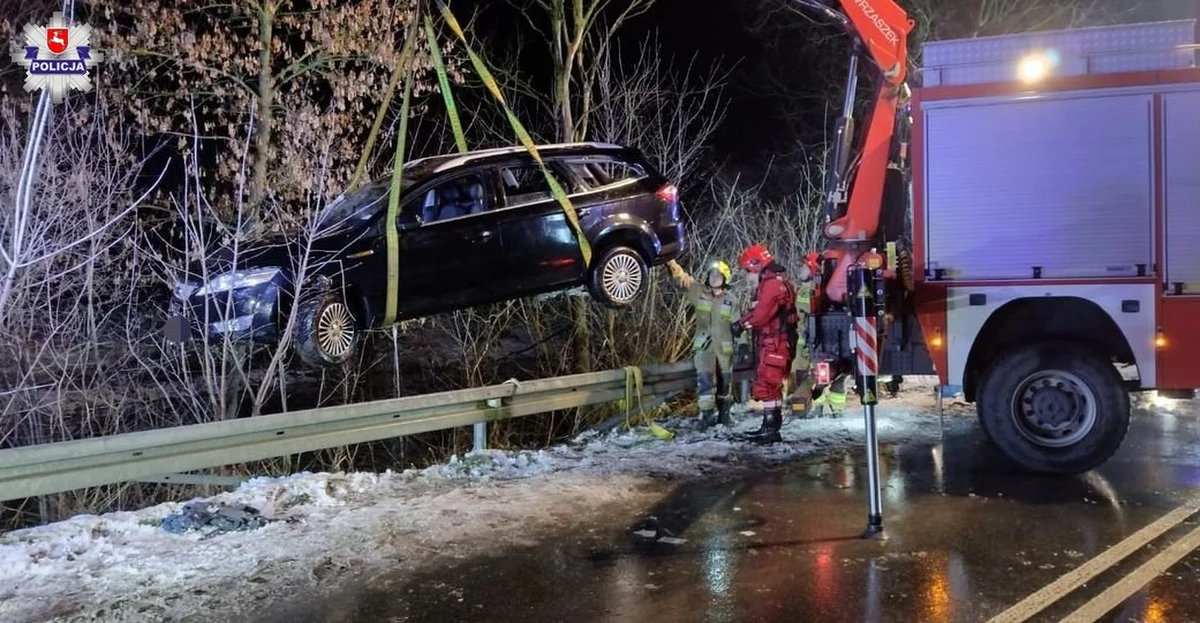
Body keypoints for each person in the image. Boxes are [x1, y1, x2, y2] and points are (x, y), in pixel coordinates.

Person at [730, 243, 799, 444]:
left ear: (755, 265)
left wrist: (742, 325)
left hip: (775, 343)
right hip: (777, 342)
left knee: (767, 384)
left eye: (747, 272)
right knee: (772, 386)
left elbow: (761, 315)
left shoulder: (770, 285)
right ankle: (770, 427)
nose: (747, 277)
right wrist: (742, 322)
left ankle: (770, 429)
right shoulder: (776, 282)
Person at [666, 258, 741, 430]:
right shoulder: (699, 292)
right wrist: (670, 263)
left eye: (718, 275)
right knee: (705, 381)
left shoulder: (732, 300)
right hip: (705, 347)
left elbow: (738, 325)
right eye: (712, 274)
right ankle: (707, 415)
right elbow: (682, 280)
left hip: (724, 349)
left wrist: (743, 344)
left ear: (725, 278)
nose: (714, 278)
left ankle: (724, 415)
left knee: (725, 383)